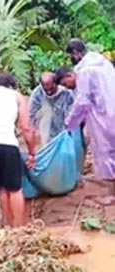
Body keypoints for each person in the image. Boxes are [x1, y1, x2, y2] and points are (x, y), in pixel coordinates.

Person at [0, 72, 36, 227]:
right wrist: (31, 153)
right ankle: (20, 229)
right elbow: (26, 127)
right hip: (5, 143)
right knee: (15, 188)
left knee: (1, 188)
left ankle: (8, 227)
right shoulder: (16, 96)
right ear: (11, 85)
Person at [65, 38, 115, 205]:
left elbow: (83, 100)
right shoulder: (103, 62)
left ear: (75, 53)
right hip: (112, 108)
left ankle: (109, 194)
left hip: (102, 115)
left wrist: (70, 122)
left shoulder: (85, 70)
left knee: (104, 152)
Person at [29, 72, 74, 145]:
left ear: (56, 83)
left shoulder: (66, 93)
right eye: (46, 90)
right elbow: (31, 114)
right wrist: (35, 130)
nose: (49, 92)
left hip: (63, 133)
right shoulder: (37, 94)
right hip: (44, 134)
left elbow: (72, 112)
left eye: (52, 89)